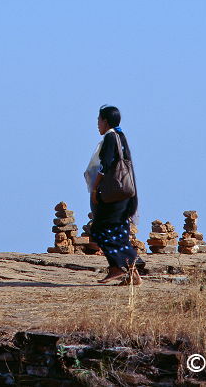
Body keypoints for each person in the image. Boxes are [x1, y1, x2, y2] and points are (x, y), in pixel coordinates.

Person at [84, 104, 141, 286]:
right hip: (125, 193)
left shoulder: (110, 137)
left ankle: (121, 266)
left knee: (100, 230)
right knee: (119, 231)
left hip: (113, 194)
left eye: (99, 120)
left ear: (105, 121)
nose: (97, 124)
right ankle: (132, 274)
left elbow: (105, 165)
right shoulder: (121, 136)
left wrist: (95, 188)